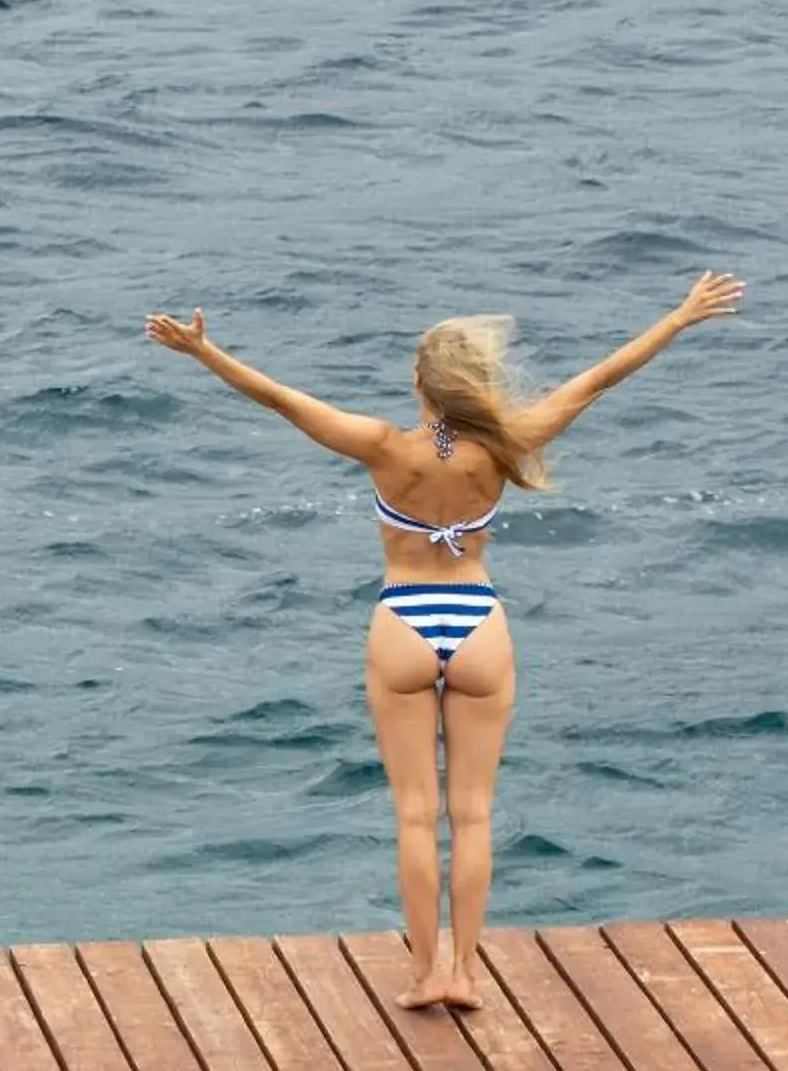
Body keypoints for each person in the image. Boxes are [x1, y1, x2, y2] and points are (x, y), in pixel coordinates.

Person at [145, 272, 744, 1011]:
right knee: (473, 814)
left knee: (413, 815)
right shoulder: (501, 446)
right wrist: (679, 316)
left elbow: (279, 399)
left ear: (419, 384)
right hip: (477, 623)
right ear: (473, 387)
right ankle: (465, 971)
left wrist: (206, 353)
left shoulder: (386, 447)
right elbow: (602, 377)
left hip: (404, 620)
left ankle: (425, 975)